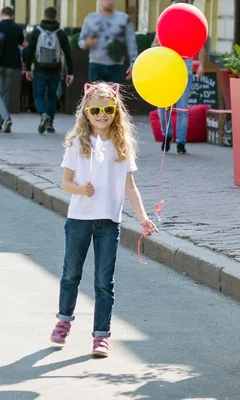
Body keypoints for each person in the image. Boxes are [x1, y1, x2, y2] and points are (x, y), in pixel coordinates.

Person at [49, 82, 158, 358]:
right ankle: (64, 319)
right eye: (95, 109)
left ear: (116, 111)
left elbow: (130, 186)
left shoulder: (122, 146)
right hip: (79, 219)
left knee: (103, 281)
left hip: (109, 221)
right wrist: (81, 189)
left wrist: (143, 217)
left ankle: (101, 336)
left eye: (108, 109)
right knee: (71, 274)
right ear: (86, 112)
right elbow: (65, 182)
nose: (102, 114)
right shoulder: (76, 142)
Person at [152, 0, 206, 154]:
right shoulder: (165, 24)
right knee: (163, 107)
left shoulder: (191, 24)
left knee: (182, 109)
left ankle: (181, 142)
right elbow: (154, 46)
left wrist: (201, 65)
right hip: (166, 72)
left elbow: (201, 46)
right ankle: (166, 135)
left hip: (184, 72)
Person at [25, 6, 74, 134]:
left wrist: (28, 68)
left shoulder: (36, 31)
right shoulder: (61, 33)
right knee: (52, 97)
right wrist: (70, 73)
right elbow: (68, 54)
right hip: (55, 70)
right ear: (56, 16)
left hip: (40, 69)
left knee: (38, 96)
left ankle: (43, 114)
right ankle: (50, 124)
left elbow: (29, 51)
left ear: (44, 16)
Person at [78, 0, 138, 83]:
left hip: (116, 65)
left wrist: (133, 63)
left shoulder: (123, 19)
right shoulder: (91, 19)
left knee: (115, 94)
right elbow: (81, 41)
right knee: (96, 94)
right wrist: (86, 43)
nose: (109, 2)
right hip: (96, 64)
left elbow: (131, 42)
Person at [0, 6, 24, 133]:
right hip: (12, 63)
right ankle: (2, 121)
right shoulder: (17, 28)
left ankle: (6, 118)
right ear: (13, 15)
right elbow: (21, 42)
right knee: (5, 93)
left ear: (1, 14)